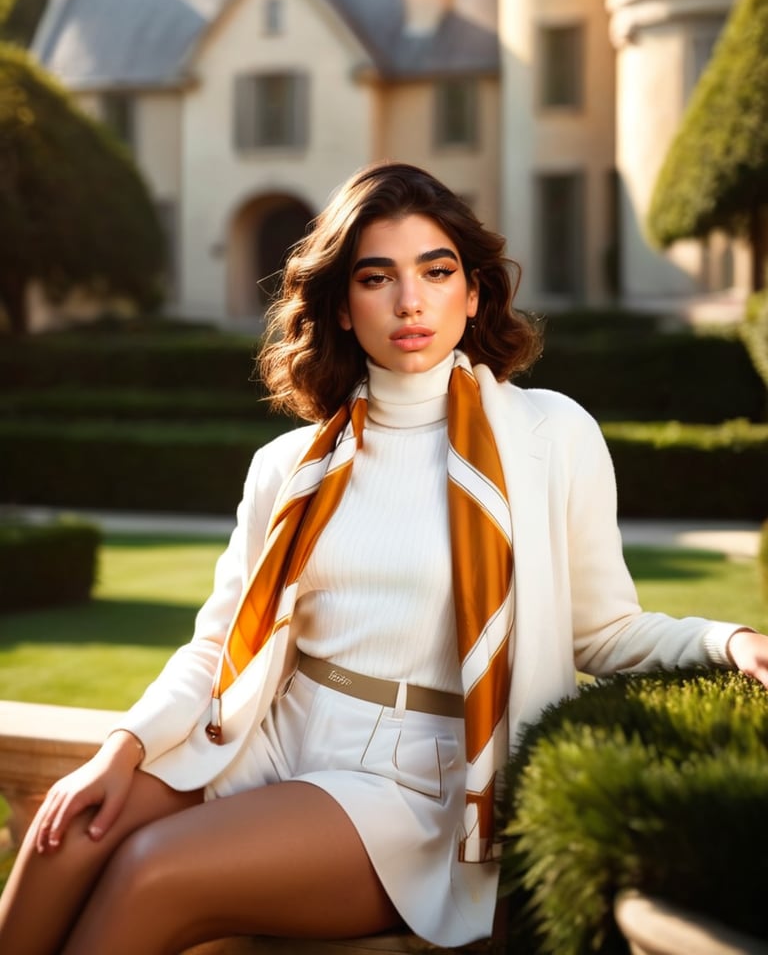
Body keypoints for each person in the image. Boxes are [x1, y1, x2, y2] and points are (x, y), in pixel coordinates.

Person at [1, 161, 767, 955]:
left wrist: (725, 641)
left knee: (151, 870)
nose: (410, 302)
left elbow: (602, 630)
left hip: (416, 782)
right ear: (339, 306)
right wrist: (122, 749)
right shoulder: (290, 464)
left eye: (436, 272)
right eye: (378, 277)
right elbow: (216, 647)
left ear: (472, 294)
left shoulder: (548, 435)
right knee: (66, 834)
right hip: (275, 734)